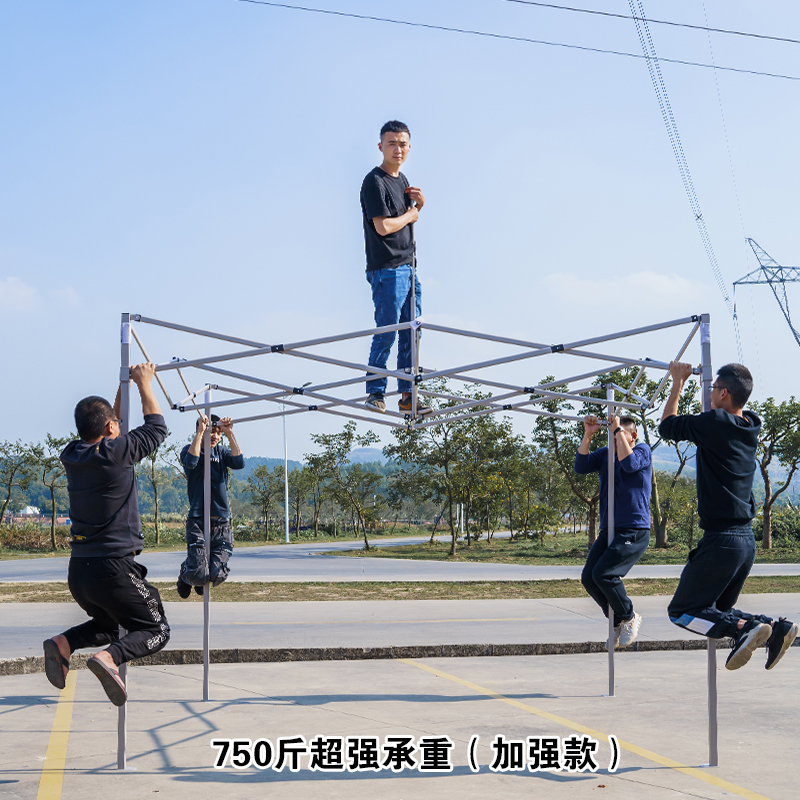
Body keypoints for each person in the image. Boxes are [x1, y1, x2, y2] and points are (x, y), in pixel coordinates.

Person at [42, 363, 170, 706]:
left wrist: (122, 387)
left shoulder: (72, 454)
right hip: (113, 568)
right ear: (112, 428)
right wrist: (145, 383)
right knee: (156, 630)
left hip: (79, 571)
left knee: (110, 625)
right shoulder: (116, 454)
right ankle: (108, 659)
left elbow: (115, 427)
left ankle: (64, 644)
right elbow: (157, 427)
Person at [661, 361, 798, 670]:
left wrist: (678, 381)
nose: (710, 394)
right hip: (745, 542)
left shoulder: (714, 423)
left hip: (722, 540)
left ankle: (742, 629)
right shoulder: (751, 425)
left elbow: (667, 426)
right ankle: (774, 628)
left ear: (723, 393)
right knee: (717, 609)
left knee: (682, 611)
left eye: (712, 390)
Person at [360, 120, 431, 417]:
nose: (397, 149)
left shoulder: (403, 181)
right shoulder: (374, 181)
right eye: (392, 143)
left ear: (409, 147)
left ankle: (407, 394)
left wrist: (419, 206)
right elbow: (385, 225)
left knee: (412, 331)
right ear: (381, 146)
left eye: (402, 144)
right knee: (388, 330)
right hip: (387, 268)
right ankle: (375, 391)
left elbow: (406, 217)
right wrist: (413, 215)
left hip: (408, 266)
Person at [574, 414, 652, 648]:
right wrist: (588, 435)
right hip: (609, 528)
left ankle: (629, 616)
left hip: (633, 528)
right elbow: (581, 466)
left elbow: (629, 465)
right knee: (589, 577)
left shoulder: (642, 451)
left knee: (605, 574)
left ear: (633, 436)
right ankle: (618, 621)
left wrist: (617, 429)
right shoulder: (607, 454)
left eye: (619, 434)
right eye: (611, 435)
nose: (614, 439)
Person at [176, 414, 244, 598]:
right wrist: (200, 433)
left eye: (217, 433)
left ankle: (197, 573)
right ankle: (186, 573)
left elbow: (239, 462)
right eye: (210, 432)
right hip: (198, 519)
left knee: (217, 574)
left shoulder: (222, 453)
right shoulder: (190, 450)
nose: (214, 436)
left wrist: (229, 434)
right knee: (199, 574)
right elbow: (190, 462)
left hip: (220, 520)